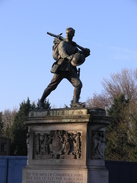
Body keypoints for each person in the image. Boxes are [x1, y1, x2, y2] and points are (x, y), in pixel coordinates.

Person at [38, 27, 90, 108]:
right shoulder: (62, 43)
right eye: (66, 33)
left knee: (78, 84)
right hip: (61, 67)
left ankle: (75, 103)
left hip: (70, 69)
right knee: (52, 86)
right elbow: (63, 54)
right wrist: (69, 57)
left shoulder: (73, 46)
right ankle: (41, 101)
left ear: (73, 35)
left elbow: (78, 56)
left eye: (69, 34)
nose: (67, 35)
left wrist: (85, 53)